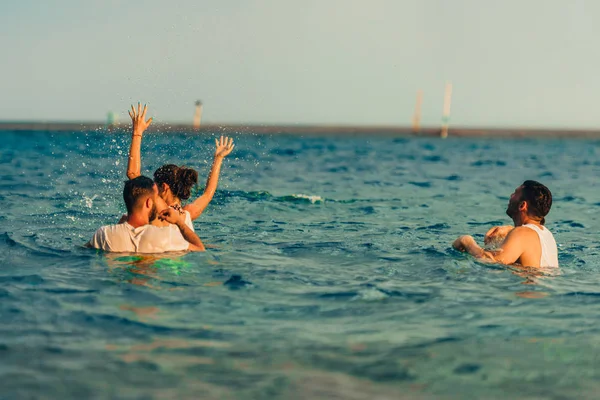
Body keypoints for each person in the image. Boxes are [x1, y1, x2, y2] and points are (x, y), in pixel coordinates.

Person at [123, 104, 234, 228]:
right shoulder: (188, 214)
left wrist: (137, 133)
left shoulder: (162, 211)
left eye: (155, 185)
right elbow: (208, 194)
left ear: (164, 187)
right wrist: (218, 159)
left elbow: (133, 174)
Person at [453, 180, 558, 268]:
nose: (511, 196)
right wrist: (509, 230)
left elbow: (489, 261)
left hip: (527, 291)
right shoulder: (547, 234)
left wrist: (466, 241)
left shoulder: (521, 233)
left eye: (515, 193)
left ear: (522, 205)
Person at [88, 176, 205, 253]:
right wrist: (179, 222)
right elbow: (200, 249)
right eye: (156, 198)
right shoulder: (166, 236)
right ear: (149, 203)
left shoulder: (104, 234)